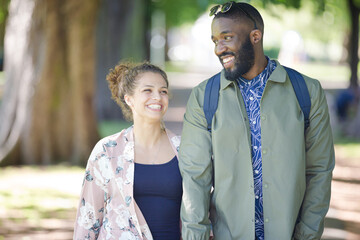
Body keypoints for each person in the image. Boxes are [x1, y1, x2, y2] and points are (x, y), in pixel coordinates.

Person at [179, 1, 335, 240]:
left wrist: (307, 235)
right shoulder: (203, 97)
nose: (219, 49)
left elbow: (319, 171)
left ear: (255, 36)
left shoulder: (307, 91)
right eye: (214, 41)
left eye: (227, 38)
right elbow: (194, 178)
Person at [73, 62, 182, 240]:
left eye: (163, 91)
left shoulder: (183, 149)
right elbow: (88, 219)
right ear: (129, 99)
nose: (157, 97)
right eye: (148, 90)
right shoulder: (107, 151)